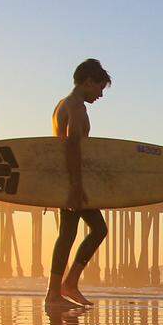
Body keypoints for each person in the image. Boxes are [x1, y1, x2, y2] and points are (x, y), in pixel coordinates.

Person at [45, 59, 111, 309]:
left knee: (73, 233)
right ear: (88, 81)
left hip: (67, 179)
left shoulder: (64, 104)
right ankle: (59, 290)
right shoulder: (75, 107)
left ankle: (63, 287)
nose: (101, 94)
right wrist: (75, 185)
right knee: (88, 231)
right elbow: (72, 145)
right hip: (70, 180)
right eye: (100, 88)